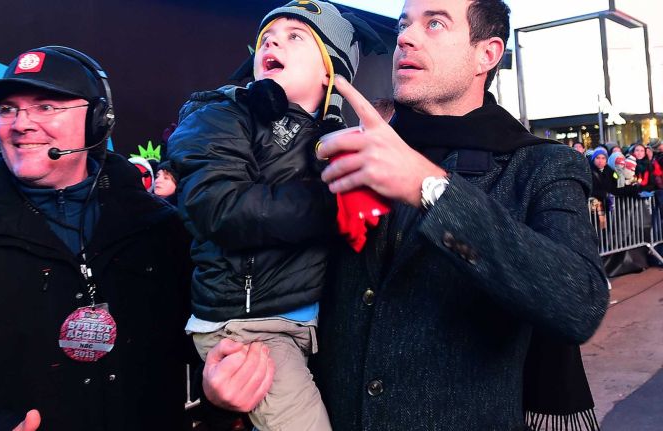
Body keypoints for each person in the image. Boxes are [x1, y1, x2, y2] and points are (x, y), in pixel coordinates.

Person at [203, 0, 609, 429]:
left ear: (486, 54)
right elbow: (247, 277)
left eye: (434, 23)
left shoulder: (539, 166)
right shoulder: (337, 148)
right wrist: (228, 385)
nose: (406, 38)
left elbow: (578, 302)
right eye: (404, 25)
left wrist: (431, 189)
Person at [0, 46, 193, 430]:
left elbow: (198, 344)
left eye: (46, 107)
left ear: (99, 120)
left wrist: (222, 384)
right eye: (8, 109)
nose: (21, 123)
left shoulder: (160, 230)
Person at [167, 2, 384, 430]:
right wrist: (331, 205)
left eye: (296, 36)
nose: (274, 41)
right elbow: (219, 206)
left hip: (302, 321)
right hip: (249, 331)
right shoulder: (222, 113)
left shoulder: (331, 139)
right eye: (268, 37)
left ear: (330, 74)